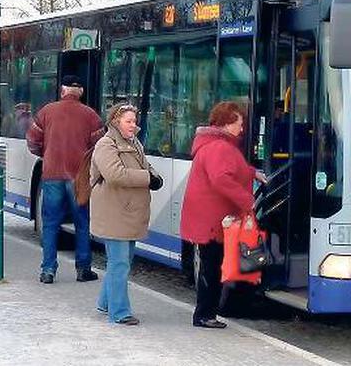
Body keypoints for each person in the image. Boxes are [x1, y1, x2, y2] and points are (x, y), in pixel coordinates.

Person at [180, 102, 266, 329]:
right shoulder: (221, 147)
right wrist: (247, 200)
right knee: (211, 266)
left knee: (211, 265)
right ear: (227, 123)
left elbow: (232, 168)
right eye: (239, 123)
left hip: (206, 217)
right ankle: (205, 315)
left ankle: (206, 313)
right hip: (212, 220)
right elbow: (221, 178)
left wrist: (252, 173)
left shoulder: (213, 144)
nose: (242, 128)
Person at [26, 77, 105, 284]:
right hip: (78, 177)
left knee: (51, 223)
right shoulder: (91, 115)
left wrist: (46, 153)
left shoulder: (46, 112)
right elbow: (100, 146)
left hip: (51, 174)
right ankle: (83, 269)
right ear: (81, 93)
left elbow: (33, 140)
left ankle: (48, 270)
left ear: (62, 91)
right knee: (82, 222)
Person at [89, 103, 161, 325]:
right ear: (115, 121)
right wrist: (147, 179)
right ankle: (119, 312)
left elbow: (145, 165)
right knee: (119, 263)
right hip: (114, 212)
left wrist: (155, 176)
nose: (133, 125)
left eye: (134, 120)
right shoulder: (106, 145)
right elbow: (115, 175)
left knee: (122, 261)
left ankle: (105, 302)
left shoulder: (132, 142)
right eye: (128, 121)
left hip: (127, 213)